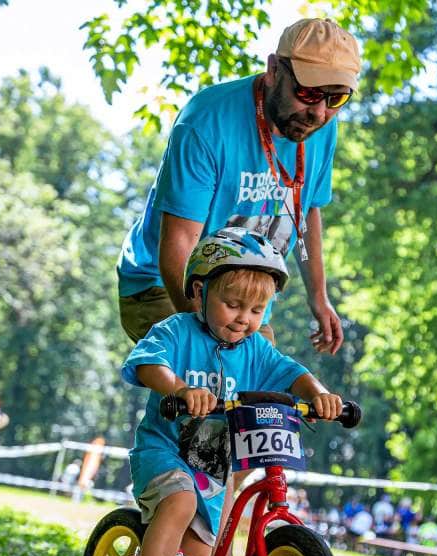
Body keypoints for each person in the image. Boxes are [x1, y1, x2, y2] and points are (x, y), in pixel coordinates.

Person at [121, 228, 343, 556]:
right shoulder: (177, 330)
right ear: (199, 291)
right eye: (233, 304)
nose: (244, 317)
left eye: (257, 309)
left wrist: (320, 396)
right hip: (164, 452)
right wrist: (181, 389)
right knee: (181, 500)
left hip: (215, 466)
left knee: (221, 534)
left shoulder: (255, 349)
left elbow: (293, 372)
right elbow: (149, 363)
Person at [117, 18, 361, 351]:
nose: (318, 113)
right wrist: (203, 341)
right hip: (160, 285)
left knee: (260, 394)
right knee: (201, 387)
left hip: (242, 299)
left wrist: (319, 296)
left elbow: (305, 213)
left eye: (335, 100)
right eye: (307, 93)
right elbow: (178, 244)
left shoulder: (321, 130)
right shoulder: (205, 122)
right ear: (274, 69)